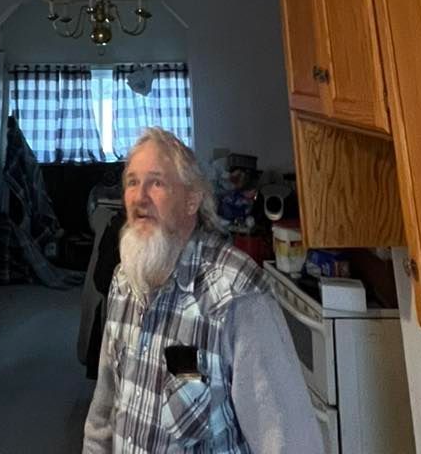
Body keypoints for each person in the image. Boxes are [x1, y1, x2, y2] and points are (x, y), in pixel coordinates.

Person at [83, 127, 322, 454]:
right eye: (132, 182)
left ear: (192, 199)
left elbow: (288, 442)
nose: (139, 197)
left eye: (156, 182)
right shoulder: (124, 281)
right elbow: (104, 415)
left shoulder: (236, 293)